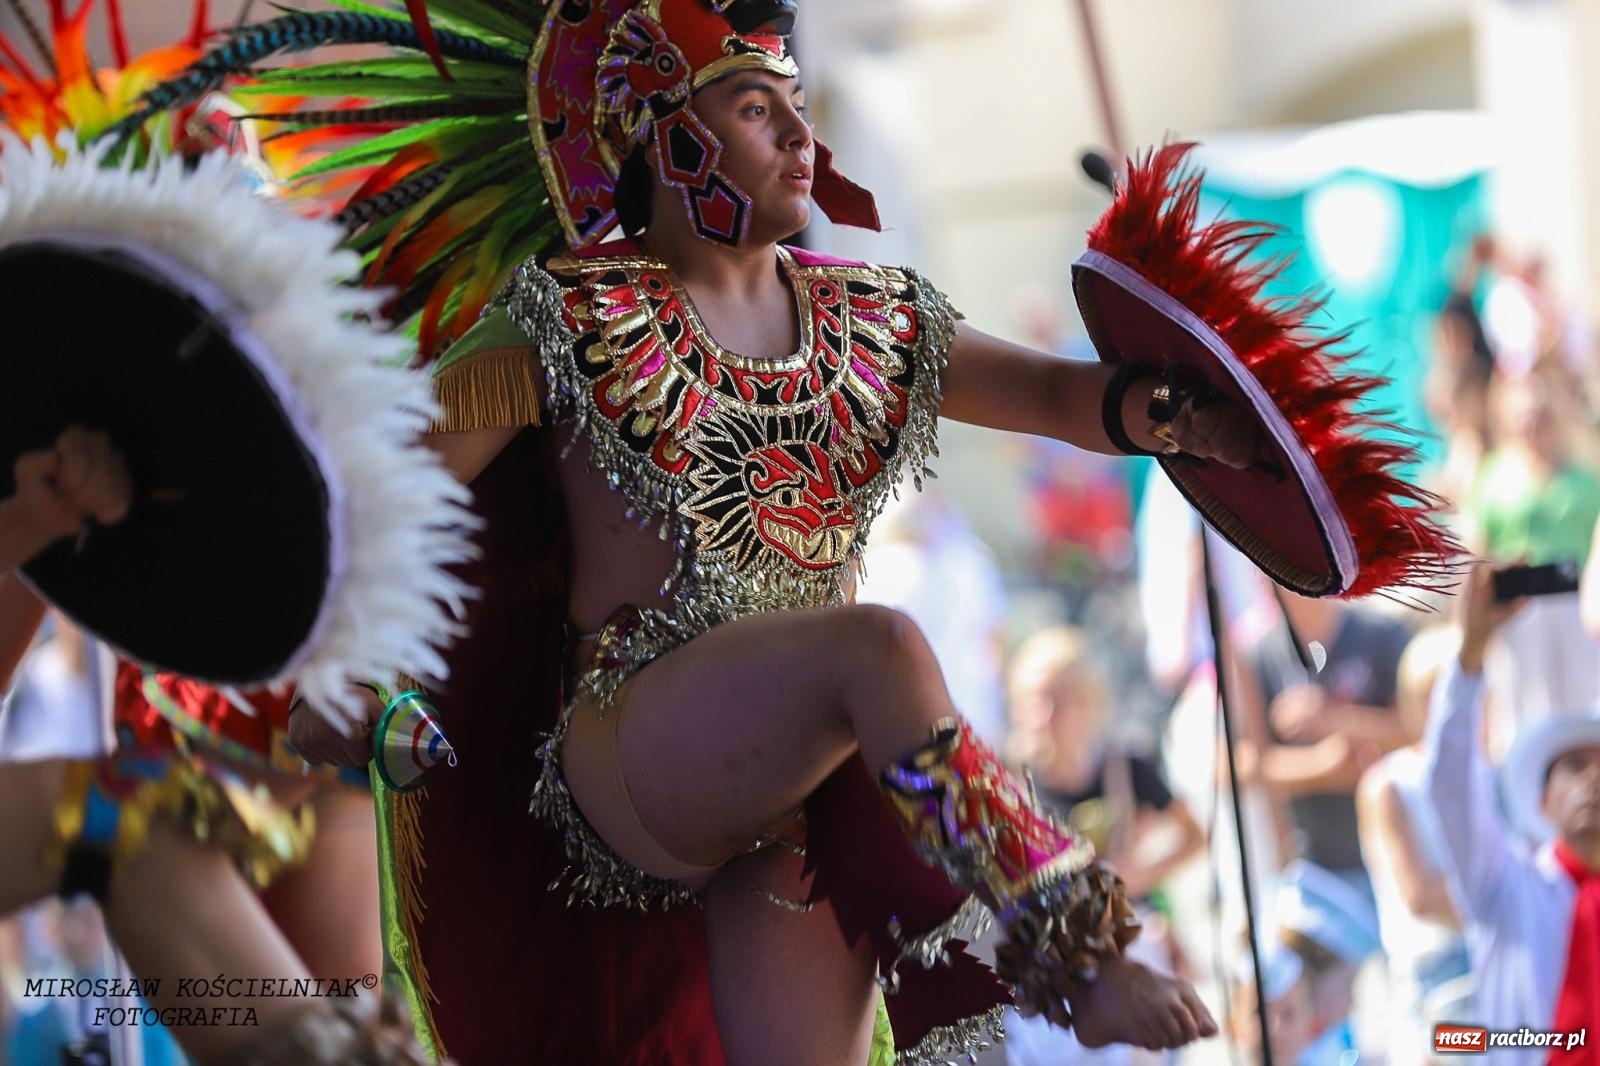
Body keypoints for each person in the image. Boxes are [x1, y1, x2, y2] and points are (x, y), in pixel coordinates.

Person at [1424, 560, 1600, 1062]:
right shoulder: (1505, 884)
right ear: (1541, 800)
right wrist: (1471, 651)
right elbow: (1451, 781)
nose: (1593, 778)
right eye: (1572, 766)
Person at [1355, 626, 1471, 1066]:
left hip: (1491, 964)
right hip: (1435, 983)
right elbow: (1420, 896)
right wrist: (1498, 900)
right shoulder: (1390, 784)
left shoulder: (1489, 774)